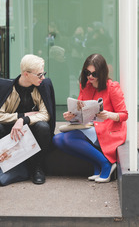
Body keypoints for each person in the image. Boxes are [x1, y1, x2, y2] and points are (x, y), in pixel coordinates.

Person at [53, 53, 128, 183]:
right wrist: (71, 115)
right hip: (89, 126)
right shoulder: (85, 86)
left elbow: (124, 115)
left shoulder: (112, 87)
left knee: (70, 138)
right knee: (57, 140)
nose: (90, 76)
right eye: (87, 72)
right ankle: (96, 163)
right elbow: (80, 109)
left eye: (94, 74)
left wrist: (108, 114)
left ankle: (106, 164)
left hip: (108, 129)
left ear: (102, 72)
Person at [0, 54, 55, 185]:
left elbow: (46, 115)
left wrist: (24, 120)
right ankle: (6, 168)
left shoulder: (43, 86)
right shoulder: (5, 87)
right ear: (26, 74)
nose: (43, 77)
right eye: (39, 75)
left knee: (43, 127)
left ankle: (37, 168)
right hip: (9, 128)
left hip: (32, 128)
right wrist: (19, 117)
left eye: (43, 73)